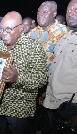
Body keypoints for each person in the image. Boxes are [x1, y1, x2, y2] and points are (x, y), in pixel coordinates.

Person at [0, 11, 48, 134]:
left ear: (22, 28)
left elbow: (42, 78)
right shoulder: (0, 46)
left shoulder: (33, 48)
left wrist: (18, 78)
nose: (3, 34)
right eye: (1, 29)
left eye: (8, 29)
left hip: (19, 110)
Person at [39, 0, 77, 133]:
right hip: (53, 102)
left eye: (75, 10)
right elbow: (57, 68)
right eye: (68, 11)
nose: (70, 13)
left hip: (71, 107)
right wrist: (47, 91)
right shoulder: (65, 37)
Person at [29, 1, 68, 71]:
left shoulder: (64, 32)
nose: (40, 15)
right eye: (38, 12)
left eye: (45, 12)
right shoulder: (31, 33)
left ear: (54, 13)